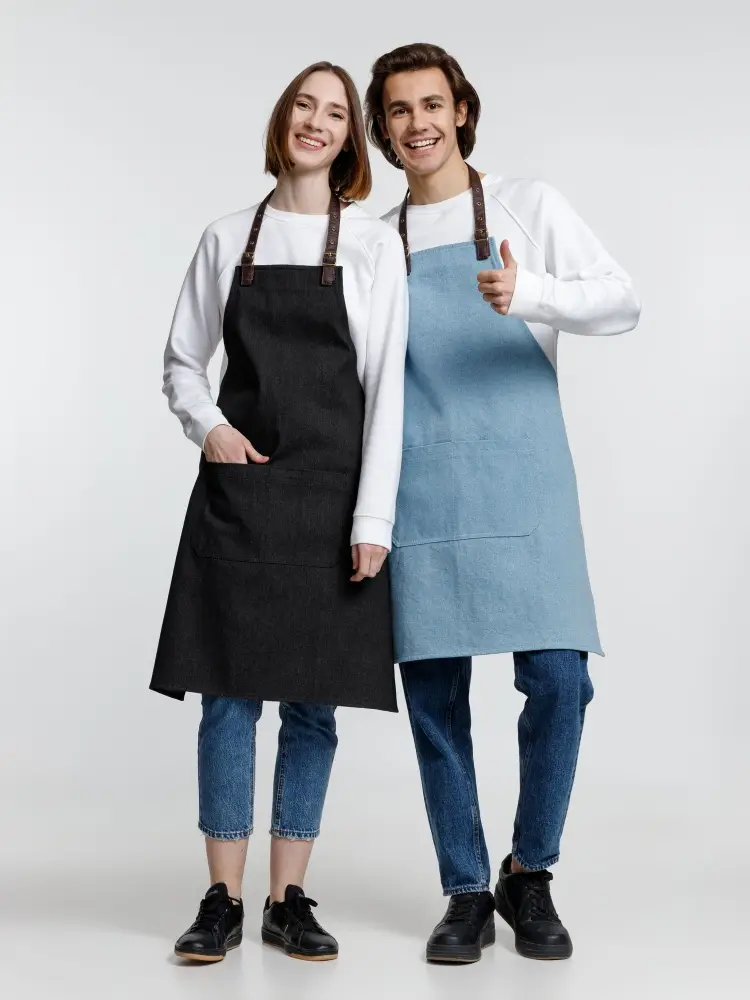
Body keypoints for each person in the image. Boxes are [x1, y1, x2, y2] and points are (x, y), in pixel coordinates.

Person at [364, 43, 640, 963]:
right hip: (422, 484)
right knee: (434, 697)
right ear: (384, 128)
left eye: (431, 104)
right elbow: (364, 382)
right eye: (399, 109)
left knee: (561, 679)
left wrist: (533, 292)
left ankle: (530, 870)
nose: (418, 123)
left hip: (525, 482)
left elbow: (623, 301)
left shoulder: (529, 204)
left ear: (462, 111)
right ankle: (465, 889)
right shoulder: (378, 241)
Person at [150, 61, 407, 964]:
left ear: (349, 140)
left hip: (332, 502)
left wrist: (373, 522)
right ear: (283, 118)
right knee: (227, 699)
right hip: (242, 498)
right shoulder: (228, 237)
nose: (317, 122)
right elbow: (182, 363)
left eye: (336, 113)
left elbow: (387, 394)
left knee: (312, 705)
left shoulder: (373, 246)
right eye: (306, 104)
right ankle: (220, 897)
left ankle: (287, 898)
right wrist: (212, 428)